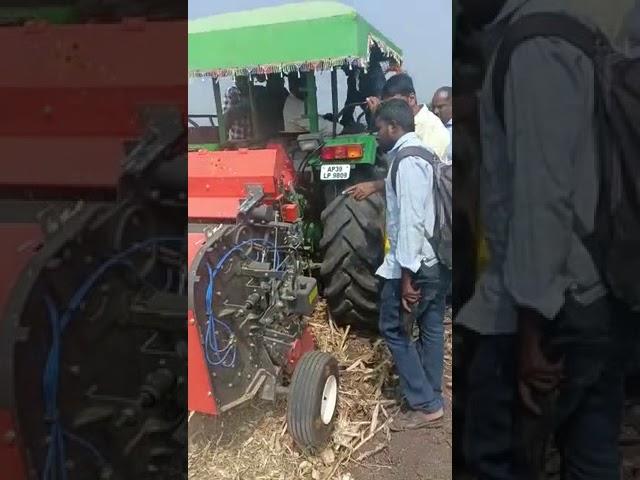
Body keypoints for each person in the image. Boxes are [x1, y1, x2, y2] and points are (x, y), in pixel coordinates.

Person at [456, 0, 636, 478]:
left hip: (546, 313)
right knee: (592, 455)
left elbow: (543, 199)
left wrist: (531, 332)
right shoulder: (581, 33)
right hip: (596, 294)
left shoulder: (534, 47)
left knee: (497, 460)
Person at [372, 99, 451, 431]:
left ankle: (425, 403)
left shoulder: (405, 162)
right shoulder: (426, 153)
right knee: (432, 326)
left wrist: (406, 276)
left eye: (378, 129)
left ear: (393, 127)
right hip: (437, 258)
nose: (376, 136)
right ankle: (432, 390)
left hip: (417, 265)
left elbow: (411, 223)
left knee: (393, 329)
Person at [347, 73, 450, 200]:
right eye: (387, 105)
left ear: (411, 99)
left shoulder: (432, 129)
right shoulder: (400, 125)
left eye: (394, 103)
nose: (391, 109)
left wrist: (375, 186)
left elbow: (421, 179)